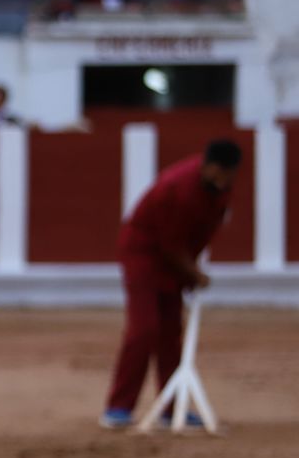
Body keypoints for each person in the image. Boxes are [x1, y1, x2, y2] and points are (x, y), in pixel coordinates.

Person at [101, 140, 241, 429]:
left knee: (170, 332)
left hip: (175, 259)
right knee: (144, 329)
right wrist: (193, 272)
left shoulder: (221, 188)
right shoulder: (177, 188)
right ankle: (118, 407)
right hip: (143, 255)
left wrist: (190, 269)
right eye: (224, 174)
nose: (227, 180)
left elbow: (200, 232)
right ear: (211, 167)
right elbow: (169, 243)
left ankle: (170, 408)